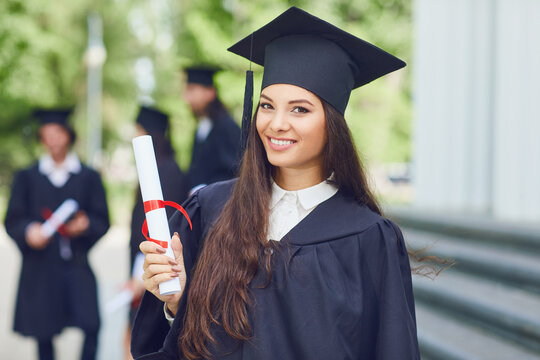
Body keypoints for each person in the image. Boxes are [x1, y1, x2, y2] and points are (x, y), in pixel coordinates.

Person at [131, 7, 420, 360]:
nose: (276, 123)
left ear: (332, 124)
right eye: (267, 106)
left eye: (299, 110)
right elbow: (177, 346)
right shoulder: (211, 210)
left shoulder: (368, 238)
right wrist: (176, 301)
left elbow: (392, 350)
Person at [4, 108, 110, 360]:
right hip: (40, 266)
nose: (52, 140)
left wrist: (86, 225)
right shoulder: (27, 177)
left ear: (68, 136)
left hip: (76, 263)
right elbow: (13, 219)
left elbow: (102, 219)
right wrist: (29, 231)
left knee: (91, 324)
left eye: (57, 133)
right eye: (46, 135)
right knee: (44, 332)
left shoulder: (87, 176)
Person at [125, 106, 189, 359]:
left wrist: (138, 273)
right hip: (146, 265)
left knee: (141, 337)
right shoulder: (161, 168)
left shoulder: (167, 172)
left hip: (156, 267)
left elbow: (160, 231)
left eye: (138, 131)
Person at [183, 66, 241, 193]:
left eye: (191, 90)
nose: (187, 98)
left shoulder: (226, 128)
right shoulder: (202, 127)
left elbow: (232, 172)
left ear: (210, 93)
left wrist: (204, 190)